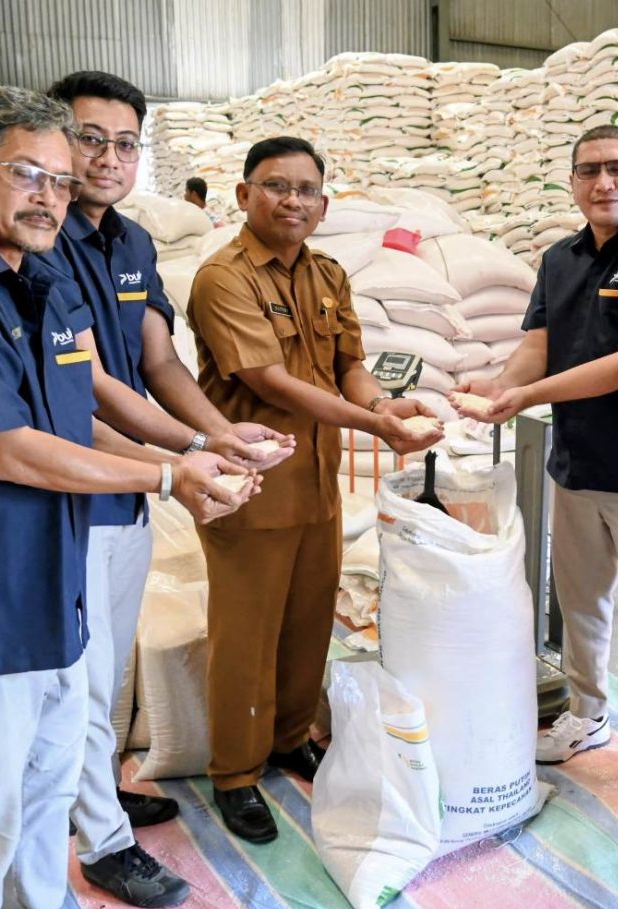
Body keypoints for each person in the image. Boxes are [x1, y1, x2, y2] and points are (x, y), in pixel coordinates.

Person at [0, 86, 255, 909]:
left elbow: (75, 417)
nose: (50, 196)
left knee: (44, 797)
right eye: (26, 175)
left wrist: (194, 453)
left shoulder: (40, 283)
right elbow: (5, 447)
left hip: (51, 590)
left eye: (59, 179)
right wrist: (168, 474)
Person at [42, 70, 294, 909]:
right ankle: (103, 845)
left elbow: (157, 363)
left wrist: (219, 435)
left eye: (125, 143)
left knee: (111, 663)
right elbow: (88, 388)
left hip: (128, 489)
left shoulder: (133, 244)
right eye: (89, 138)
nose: (108, 158)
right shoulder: (39, 243)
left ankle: (97, 795)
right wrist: (185, 456)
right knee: (79, 675)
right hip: (72, 489)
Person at [187, 136, 442, 842]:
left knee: (307, 624)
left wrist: (381, 404)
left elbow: (348, 365)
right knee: (246, 635)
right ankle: (235, 773)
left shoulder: (328, 274)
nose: (291, 201)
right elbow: (270, 382)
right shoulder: (223, 278)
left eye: (305, 190)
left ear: (324, 205)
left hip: (319, 483)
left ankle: (290, 736)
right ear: (244, 195)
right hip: (251, 485)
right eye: (276, 186)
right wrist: (375, 424)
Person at [456, 124, 618, 809]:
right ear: (572, 183)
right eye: (590, 170)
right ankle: (587, 714)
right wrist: (500, 385)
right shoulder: (560, 259)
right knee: (580, 604)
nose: (605, 182)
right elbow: (538, 346)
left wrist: (524, 398)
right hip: (577, 463)